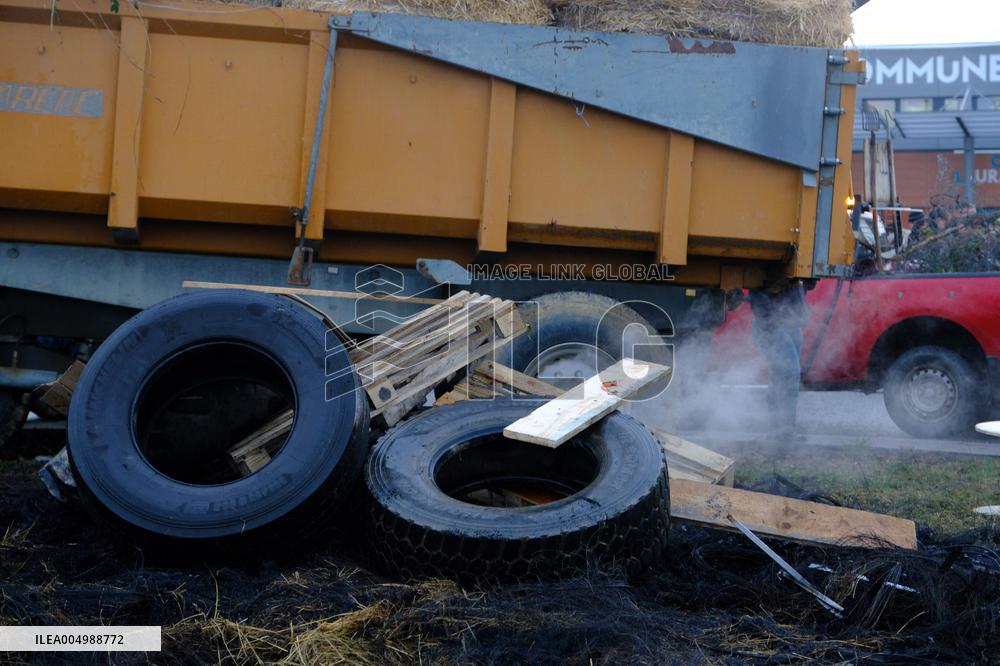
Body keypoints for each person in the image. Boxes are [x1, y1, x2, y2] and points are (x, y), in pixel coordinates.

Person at [748, 282, 810, 440]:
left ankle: (780, 429)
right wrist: (770, 321)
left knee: (781, 376)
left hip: (789, 324)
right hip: (772, 324)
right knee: (789, 372)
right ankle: (783, 429)